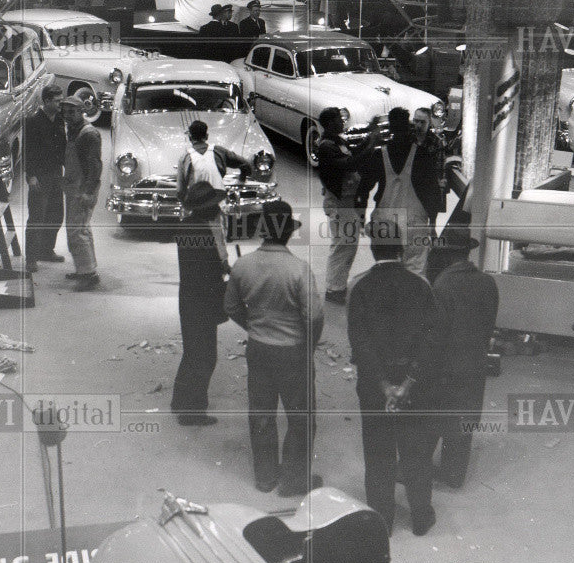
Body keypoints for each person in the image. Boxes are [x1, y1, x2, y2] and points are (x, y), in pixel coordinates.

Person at [224, 200, 324, 496]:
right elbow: (314, 316)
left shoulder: (243, 266)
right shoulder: (299, 270)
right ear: (288, 234)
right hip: (293, 351)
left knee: (261, 413)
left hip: (258, 349)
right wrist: (309, 344)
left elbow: (231, 306)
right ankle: (293, 480)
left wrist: (254, 327)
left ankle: (265, 477)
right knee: (301, 417)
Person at [347, 226, 443, 536]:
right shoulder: (421, 285)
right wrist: (407, 384)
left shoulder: (358, 288)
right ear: (401, 250)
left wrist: (384, 386)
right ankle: (420, 517)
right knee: (416, 452)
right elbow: (432, 340)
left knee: (378, 452)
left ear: (373, 251)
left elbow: (359, 344)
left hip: (374, 386)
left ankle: (382, 520)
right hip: (415, 385)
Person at [430, 226, 499, 489]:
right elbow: (490, 324)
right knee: (465, 419)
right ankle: (455, 473)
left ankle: (422, 467)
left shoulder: (443, 284)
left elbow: (438, 332)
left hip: (448, 365)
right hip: (476, 362)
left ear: (446, 256)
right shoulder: (487, 282)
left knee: (437, 416)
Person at [358, 107, 445, 277]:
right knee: (415, 273)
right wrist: (432, 224)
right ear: (409, 126)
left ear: (390, 128)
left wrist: (361, 218)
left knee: (386, 271)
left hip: (384, 224)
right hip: (415, 225)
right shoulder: (422, 155)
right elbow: (433, 192)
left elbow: (363, 189)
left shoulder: (379, 155)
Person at [171, 181, 230, 427]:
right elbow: (210, 269)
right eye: (215, 205)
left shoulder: (190, 227)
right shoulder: (202, 232)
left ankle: (180, 401)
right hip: (202, 300)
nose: (219, 208)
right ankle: (192, 410)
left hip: (190, 299)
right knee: (204, 356)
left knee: (193, 352)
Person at [316, 106, 377, 304]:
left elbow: (351, 156)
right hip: (340, 202)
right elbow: (348, 164)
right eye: (338, 120)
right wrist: (369, 148)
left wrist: (368, 139)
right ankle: (334, 289)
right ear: (329, 123)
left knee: (346, 245)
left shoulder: (337, 141)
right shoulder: (326, 146)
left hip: (345, 201)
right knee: (343, 246)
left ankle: (337, 285)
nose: (343, 122)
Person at [177, 120, 253, 266]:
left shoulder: (184, 158)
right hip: (217, 201)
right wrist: (242, 178)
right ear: (207, 135)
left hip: (196, 203)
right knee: (218, 234)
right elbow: (245, 164)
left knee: (195, 238)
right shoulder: (219, 151)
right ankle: (223, 264)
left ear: (190, 138)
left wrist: (185, 204)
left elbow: (180, 190)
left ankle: (201, 266)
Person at [61, 94, 102, 291]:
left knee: (78, 231)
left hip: (83, 188)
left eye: (72, 112)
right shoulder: (73, 130)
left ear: (81, 112)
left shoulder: (88, 134)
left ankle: (88, 275)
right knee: (80, 228)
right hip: (73, 187)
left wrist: (88, 192)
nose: (67, 115)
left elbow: (94, 167)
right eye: (65, 112)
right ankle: (85, 268)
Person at [23, 84, 66, 273]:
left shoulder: (59, 119)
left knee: (56, 215)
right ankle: (31, 258)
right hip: (40, 177)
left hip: (57, 174)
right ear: (47, 101)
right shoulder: (33, 122)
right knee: (37, 218)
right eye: (57, 101)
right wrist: (31, 176)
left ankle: (46, 250)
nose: (60, 104)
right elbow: (27, 152)